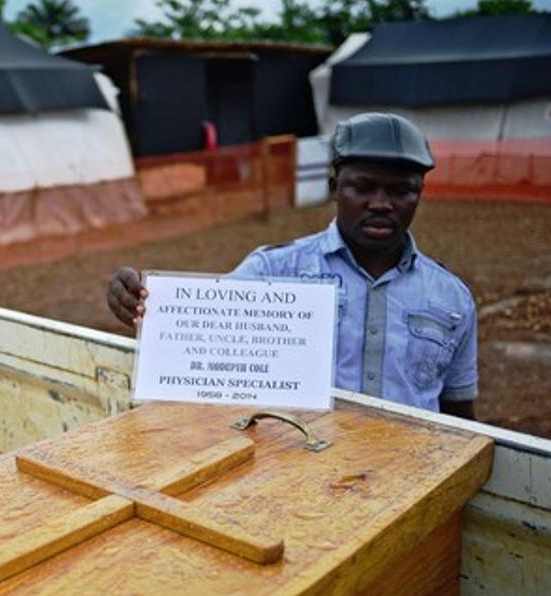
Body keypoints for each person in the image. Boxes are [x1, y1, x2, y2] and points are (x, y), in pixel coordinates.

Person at [106, 112, 477, 419]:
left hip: (410, 481)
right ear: (334, 187)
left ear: (419, 194)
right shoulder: (274, 271)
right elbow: (195, 330)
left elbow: (459, 415)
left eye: (401, 191)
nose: (381, 203)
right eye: (362, 187)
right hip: (296, 475)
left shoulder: (452, 298)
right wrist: (140, 301)